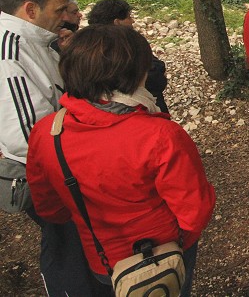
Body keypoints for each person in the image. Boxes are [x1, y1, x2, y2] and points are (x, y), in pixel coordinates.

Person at [26, 25, 216, 296]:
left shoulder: (47, 132)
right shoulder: (160, 135)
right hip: (164, 252)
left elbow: (50, 208)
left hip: (103, 258)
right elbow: (195, 213)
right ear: (133, 73)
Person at [0, 0, 102, 296]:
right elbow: (30, 137)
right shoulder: (10, 54)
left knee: (82, 239)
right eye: (59, 10)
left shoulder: (37, 41)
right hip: (52, 174)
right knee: (67, 244)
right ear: (30, 10)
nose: (66, 16)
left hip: (65, 162)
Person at [88, 0, 170, 114]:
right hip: (137, 112)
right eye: (128, 17)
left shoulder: (86, 47)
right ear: (117, 22)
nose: (132, 21)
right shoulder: (128, 45)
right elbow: (155, 76)